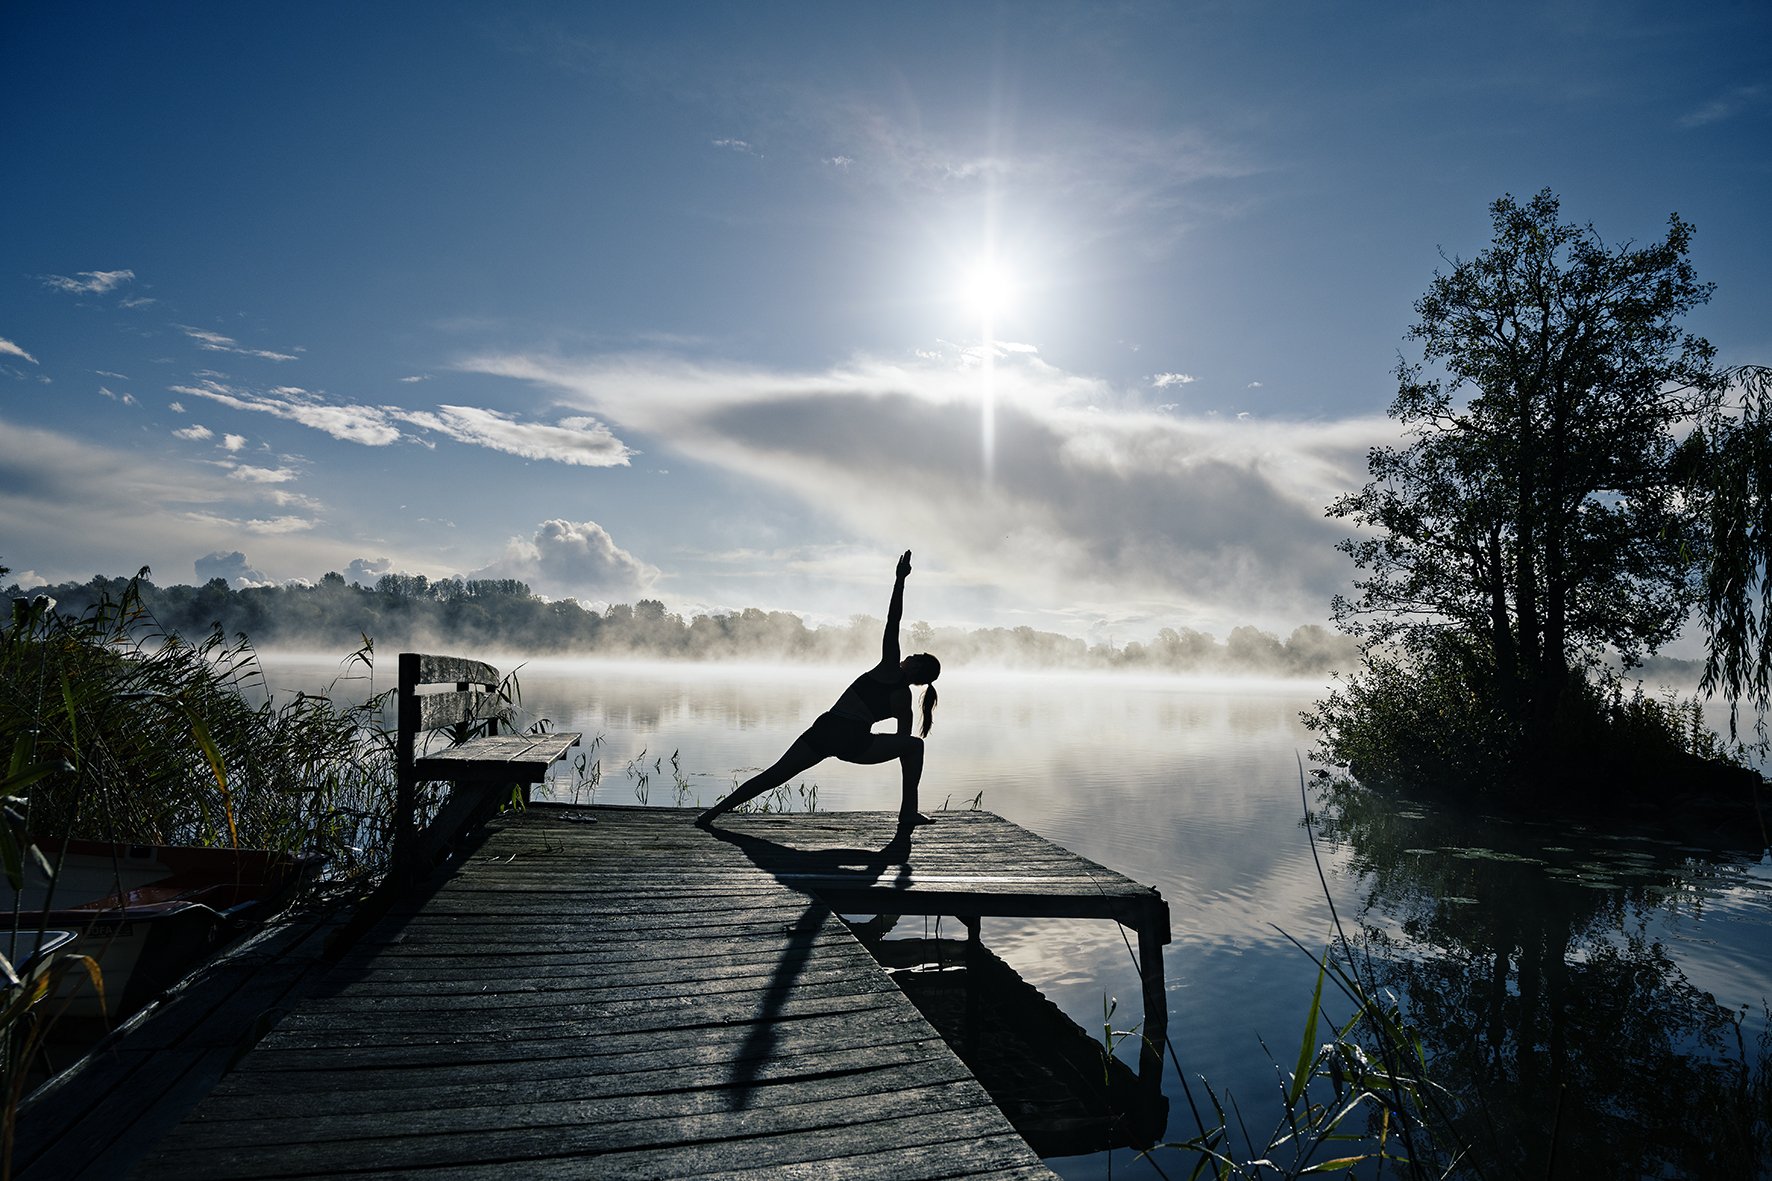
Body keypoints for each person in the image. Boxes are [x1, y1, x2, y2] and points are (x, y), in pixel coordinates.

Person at [696, 550, 940, 830]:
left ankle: (712, 815)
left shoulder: (889, 669)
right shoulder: (904, 699)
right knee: (915, 747)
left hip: (827, 730)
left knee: (774, 775)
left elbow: (892, 621)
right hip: (854, 744)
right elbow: (902, 745)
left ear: (916, 668)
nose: (909, 655)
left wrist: (899, 581)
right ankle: (908, 811)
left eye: (916, 656)